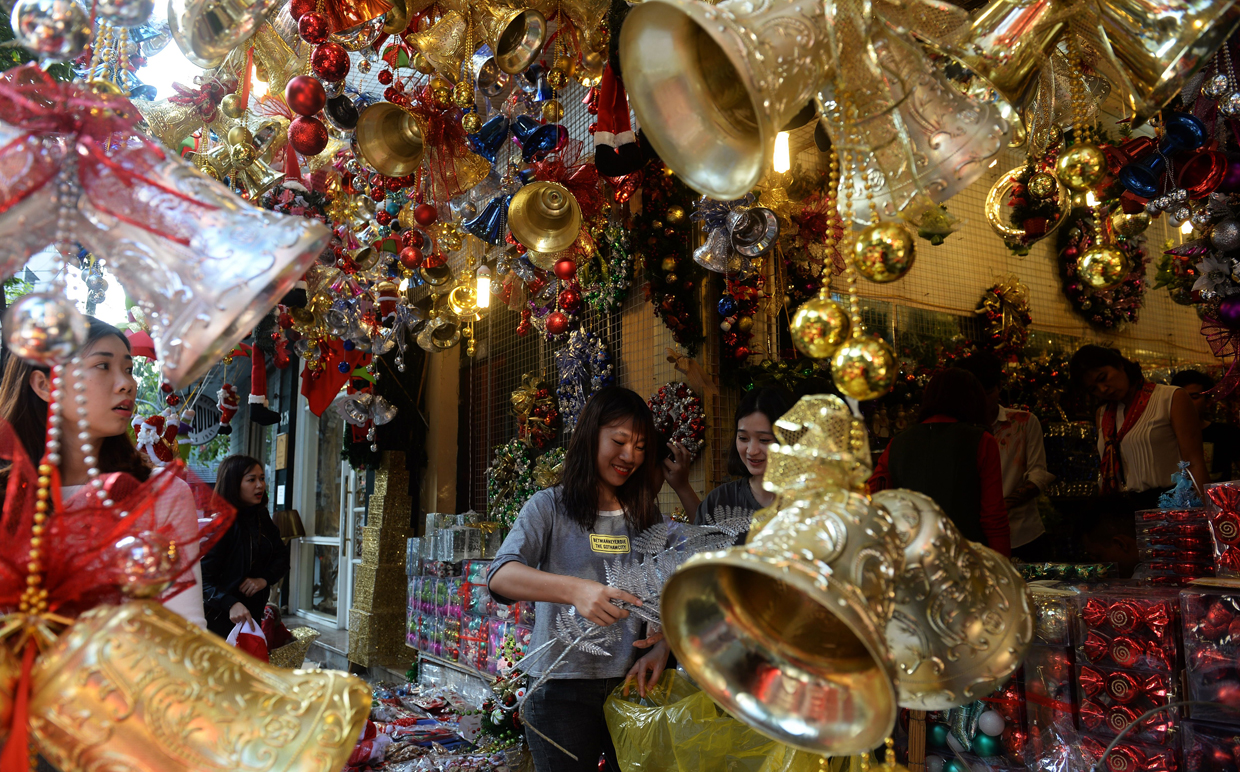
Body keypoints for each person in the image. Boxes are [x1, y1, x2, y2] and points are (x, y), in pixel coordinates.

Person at [487, 387, 670, 772]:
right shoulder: (549, 506)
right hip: (559, 690)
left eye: (640, 446)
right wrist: (575, 589)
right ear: (591, 436)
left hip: (630, 687)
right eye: (619, 441)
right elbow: (501, 575)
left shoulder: (644, 514)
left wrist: (661, 646)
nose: (630, 456)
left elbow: (666, 593)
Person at [0, 316, 206, 628]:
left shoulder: (161, 495)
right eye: (102, 365)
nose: (128, 384)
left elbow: (184, 630)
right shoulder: (8, 497)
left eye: (128, 369)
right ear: (46, 384)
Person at [868, 368, 1011, 556]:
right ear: (974, 400)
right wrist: (1002, 568)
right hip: (967, 561)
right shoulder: (981, 441)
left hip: (912, 560)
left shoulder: (898, 443)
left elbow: (875, 499)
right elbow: (993, 517)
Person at [1070, 345, 1207, 509]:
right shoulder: (1104, 414)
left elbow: (1195, 463)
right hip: (1126, 507)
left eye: (1103, 377)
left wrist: (1208, 513)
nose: (1103, 389)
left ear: (1120, 364)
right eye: (1093, 388)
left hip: (1171, 504)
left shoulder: (1170, 398)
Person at [961, 352, 1056, 561]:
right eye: (976, 394)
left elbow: (1038, 473)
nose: (983, 401)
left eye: (988, 392)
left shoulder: (1024, 422)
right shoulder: (959, 431)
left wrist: (1001, 506)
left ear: (999, 388)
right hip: (974, 538)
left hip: (1023, 534)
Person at [200, 455, 290, 638]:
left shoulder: (261, 517)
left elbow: (282, 557)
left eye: (262, 478)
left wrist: (263, 579)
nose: (259, 485)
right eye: (251, 479)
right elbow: (202, 579)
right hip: (219, 621)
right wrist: (230, 603)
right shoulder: (222, 524)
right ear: (234, 484)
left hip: (252, 617)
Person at [694, 386, 794, 542]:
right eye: (743, 438)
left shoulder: (811, 502)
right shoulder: (718, 501)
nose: (752, 451)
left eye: (764, 440)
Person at [1171, 369, 1240, 482]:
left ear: (1207, 402)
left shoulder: (1227, 433)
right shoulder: (1164, 436)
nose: (1186, 403)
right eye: (1181, 398)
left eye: (1194, 397)